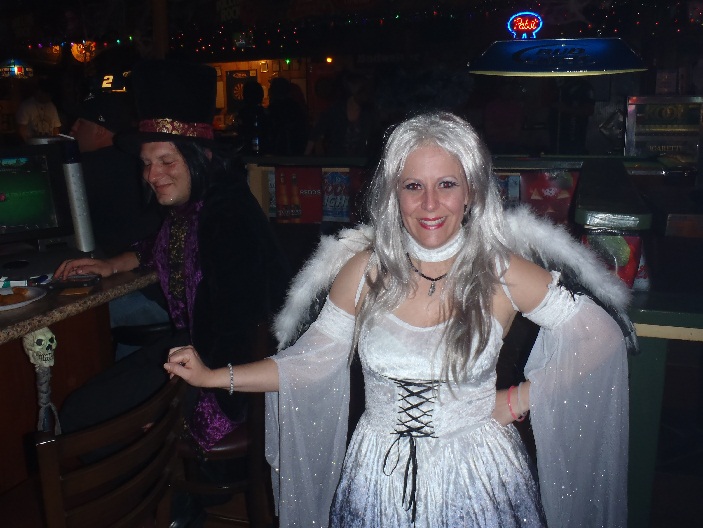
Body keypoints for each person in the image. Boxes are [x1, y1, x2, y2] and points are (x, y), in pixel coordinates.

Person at [165, 111, 633, 527]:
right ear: (394, 193)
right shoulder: (364, 272)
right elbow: (310, 363)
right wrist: (213, 376)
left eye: (446, 184)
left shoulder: (502, 271)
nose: (429, 204)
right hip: (378, 474)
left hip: (478, 474)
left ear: (470, 191)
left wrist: (515, 400)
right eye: (413, 186)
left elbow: (601, 339)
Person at [55, 59, 291, 462]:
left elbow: (240, 332)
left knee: (89, 420)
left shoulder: (227, 217)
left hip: (228, 376)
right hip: (192, 348)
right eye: (147, 163)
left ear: (200, 156)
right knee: (83, 408)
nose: (152, 175)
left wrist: (193, 420)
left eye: (167, 161)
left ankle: (161, 494)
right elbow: (161, 244)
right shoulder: (198, 203)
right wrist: (113, 264)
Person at [68, 91, 168, 359]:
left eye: (81, 122)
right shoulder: (136, 163)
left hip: (156, 300)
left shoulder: (84, 170)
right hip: (161, 296)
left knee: (63, 323)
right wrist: (115, 264)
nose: (72, 128)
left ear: (100, 130)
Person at [304, 71, 381, 158]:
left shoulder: (369, 113)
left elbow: (377, 138)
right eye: (362, 91)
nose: (365, 95)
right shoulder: (335, 110)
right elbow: (316, 133)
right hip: (337, 161)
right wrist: (305, 159)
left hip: (360, 162)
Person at [15, 78, 62, 142]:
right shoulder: (26, 106)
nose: (49, 98)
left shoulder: (51, 106)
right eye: (48, 95)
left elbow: (55, 128)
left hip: (49, 143)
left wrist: (55, 141)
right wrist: (27, 142)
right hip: (32, 143)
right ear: (39, 92)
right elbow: (22, 128)